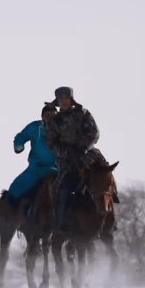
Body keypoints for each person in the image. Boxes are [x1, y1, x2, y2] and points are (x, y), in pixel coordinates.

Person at [43, 86, 105, 230]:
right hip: (67, 160)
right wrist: (66, 152)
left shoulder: (84, 114)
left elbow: (94, 133)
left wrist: (84, 147)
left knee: (105, 178)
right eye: (61, 100)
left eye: (66, 99)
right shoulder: (55, 121)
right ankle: (61, 226)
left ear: (71, 99)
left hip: (88, 154)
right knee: (63, 189)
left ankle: (109, 220)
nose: (64, 102)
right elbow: (50, 142)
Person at [6, 103, 58, 217]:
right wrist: (18, 145)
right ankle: (10, 218)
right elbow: (21, 136)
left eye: (53, 115)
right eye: (47, 115)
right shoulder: (35, 127)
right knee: (14, 189)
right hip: (35, 168)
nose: (50, 118)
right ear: (42, 116)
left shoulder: (62, 129)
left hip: (57, 169)